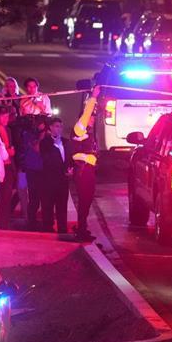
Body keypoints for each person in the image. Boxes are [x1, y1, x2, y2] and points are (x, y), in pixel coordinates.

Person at [70, 85, 101, 241]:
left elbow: (89, 110)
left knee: (87, 201)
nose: (93, 119)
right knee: (83, 201)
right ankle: (81, 229)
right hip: (82, 171)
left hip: (89, 172)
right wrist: (94, 96)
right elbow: (75, 155)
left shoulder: (87, 131)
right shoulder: (79, 128)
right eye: (91, 117)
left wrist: (92, 99)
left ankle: (83, 227)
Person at [39, 117, 71, 234]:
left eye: (61, 127)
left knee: (62, 206)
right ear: (51, 128)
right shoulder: (45, 143)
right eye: (57, 126)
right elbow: (46, 160)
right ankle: (48, 228)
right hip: (49, 180)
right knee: (48, 206)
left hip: (63, 180)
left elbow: (69, 159)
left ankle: (62, 229)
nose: (59, 129)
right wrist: (55, 146)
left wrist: (70, 169)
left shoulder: (66, 142)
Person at [0, 105, 18, 229]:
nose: (6, 118)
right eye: (3, 116)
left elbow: (12, 148)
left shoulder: (8, 130)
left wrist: (10, 151)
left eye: (7, 116)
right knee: (0, 196)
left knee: (7, 196)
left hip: (9, 167)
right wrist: (9, 151)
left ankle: (4, 222)